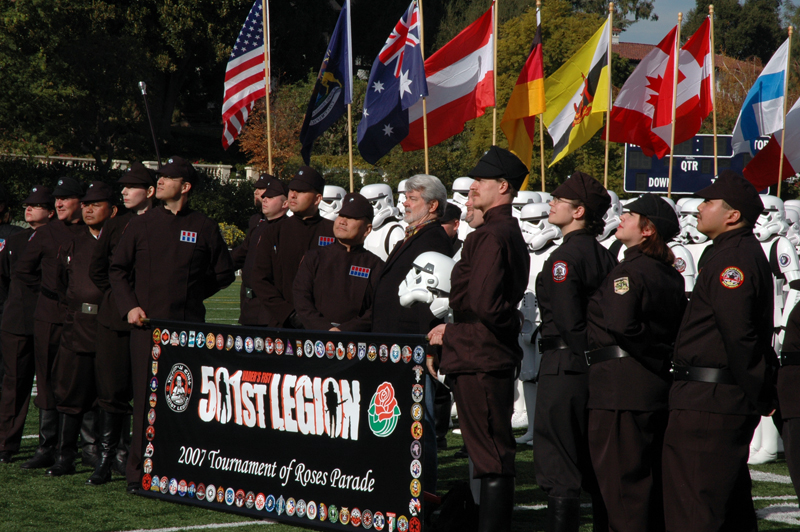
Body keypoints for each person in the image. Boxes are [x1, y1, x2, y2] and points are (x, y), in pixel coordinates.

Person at [109, 156, 235, 493]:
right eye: (159, 177)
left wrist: (193, 295)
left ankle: (179, 470)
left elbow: (223, 273)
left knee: (183, 402)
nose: (160, 182)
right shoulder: (140, 224)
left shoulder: (205, 226)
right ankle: (138, 475)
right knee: (145, 403)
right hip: (146, 330)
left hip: (188, 332)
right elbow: (117, 270)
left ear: (186, 186)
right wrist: (130, 307)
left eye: (167, 177)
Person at [662, 170, 776, 532]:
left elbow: (739, 335)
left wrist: (760, 391)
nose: (700, 208)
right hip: (709, 396)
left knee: (695, 506)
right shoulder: (727, 251)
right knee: (723, 506)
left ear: (732, 215)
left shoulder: (734, 260)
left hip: (711, 399)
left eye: (709, 202)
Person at [427, 146, 530, 532]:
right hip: (481, 353)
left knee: (491, 456)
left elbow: (485, 304)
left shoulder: (491, 235)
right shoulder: (499, 231)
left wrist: (452, 330)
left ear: (503, 187)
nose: (473, 188)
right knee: (488, 452)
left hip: (481, 356)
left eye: (481, 182)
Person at [585, 194, 687, 532]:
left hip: (620, 391)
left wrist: (655, 354)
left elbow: (622, 325)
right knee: (647, 486)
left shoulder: (631, 270)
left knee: (622, 489)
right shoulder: (669, 274)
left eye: (631, 215)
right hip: (649, 388)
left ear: (648, 230)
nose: (622, 218)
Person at [533, 171, 617, 531]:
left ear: (579, 211)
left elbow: (570, 322)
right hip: (592, 365)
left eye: (559, 200)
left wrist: (586, 356)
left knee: (559, 462)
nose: (551, 203)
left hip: (565, 365)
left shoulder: (565, 257)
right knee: (593, 457)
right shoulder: (604, 254)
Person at [372, 173, 452, 494]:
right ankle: (402, 483)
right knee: (403, 421)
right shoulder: (414, 234)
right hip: (396, 344)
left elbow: (430, 301)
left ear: (432, 206)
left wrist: (428, 347)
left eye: (412, 198)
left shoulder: (432, 238)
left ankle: (426, 492)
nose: (404, 202)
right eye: (404, 196)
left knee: (421, 423)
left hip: (414, 346)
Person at [86, 162, 156, 485]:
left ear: (150, 191)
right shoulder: (116, 225)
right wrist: (120, 300)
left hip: (153, 321)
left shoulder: (161, 223)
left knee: (147, 392)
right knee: (112, 391)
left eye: (132, 186)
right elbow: (99, 269)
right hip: (114, 322)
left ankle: (141, 456)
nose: (124, 191)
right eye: (122, 186)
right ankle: (106, 457)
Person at [15, 177, 86, 470]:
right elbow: (23, 269)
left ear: (81, 202)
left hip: (80, 320)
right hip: (48, 317)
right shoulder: (46, 233)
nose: (58, 203)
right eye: (56, 199)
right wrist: (50, 292)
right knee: (45, 381)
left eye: (65, 198)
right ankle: (46, 447)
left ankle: (71, 449)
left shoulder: (91, 232)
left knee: (73, 381)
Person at [47, 182, 117, 477]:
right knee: (71, 394)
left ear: (112, 210)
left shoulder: (121, 240)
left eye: (96, 204)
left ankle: (108, 456)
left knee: (110, 394)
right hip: (77, 329)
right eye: (85, 204)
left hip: (110, 328)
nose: (87, 209)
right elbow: (60, 283)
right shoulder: (73, 241)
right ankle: (65, 456)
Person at [0, 187, 55, 463]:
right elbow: (6, 280)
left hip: (50, 321)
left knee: (51, 387)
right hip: (17, 322)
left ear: (51, 211)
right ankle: (6, 444)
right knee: (14, 385)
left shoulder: (61, 238)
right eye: (27, 204)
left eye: (37, 205)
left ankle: (51, 446)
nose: (29, 209)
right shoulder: (16, 240)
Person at [250, 166, 334, 328]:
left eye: (301, 191)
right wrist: (288, 314)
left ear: (317, 199)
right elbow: (260, 279)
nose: (293, 195)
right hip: (283, 326)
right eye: (291, 190)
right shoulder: (274, 231)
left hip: (325, 326)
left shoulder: (333, 231)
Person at [293, 192, 383, 331]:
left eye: (351, 218)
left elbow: (377, 309)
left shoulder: (375, 265)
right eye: (341, 215)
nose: (342, 221)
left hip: (356, 343)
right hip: (315, 339)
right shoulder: (314, 257)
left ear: (367, 229)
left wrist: (345, 331)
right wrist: (325, 329)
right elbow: (301, 299)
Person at [234, 177, 288, 326]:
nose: (264, 199)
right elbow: (242, 254)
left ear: (285, 204)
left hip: (270, 308)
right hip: (249, 304)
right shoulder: (258, 226)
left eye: (270, 197)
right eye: (264, 197)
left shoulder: (288, 230)